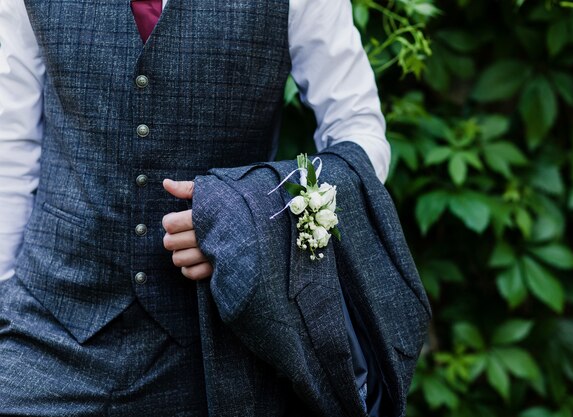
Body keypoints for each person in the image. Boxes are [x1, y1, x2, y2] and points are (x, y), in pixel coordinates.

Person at [0, 0, 390, 414]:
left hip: (223, 344)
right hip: (45, 324)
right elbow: (9, 149)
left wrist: (249, 220)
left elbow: (359, 139)